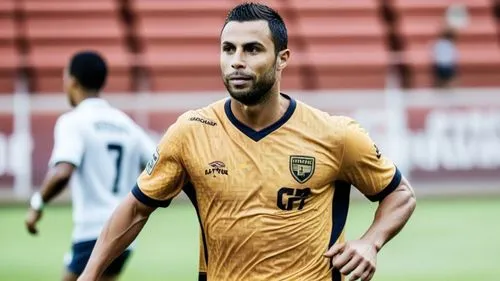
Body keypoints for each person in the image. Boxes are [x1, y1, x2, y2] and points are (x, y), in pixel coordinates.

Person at [78, 3, 416, 281]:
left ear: (283, 58)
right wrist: (89, 275)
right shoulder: (191, 131)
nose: (237, 60)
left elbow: (400, 195)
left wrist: (371, 242)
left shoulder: (336, 134)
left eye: (252, 49)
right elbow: (136, 208)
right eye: (228, 49)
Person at [25, 51, 156, 281]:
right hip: (126, 231)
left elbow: (62, 172)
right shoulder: (125, 123)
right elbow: (157, 161)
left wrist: (37, 204)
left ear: (72, 81)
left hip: (93, 232)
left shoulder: (73, 121)